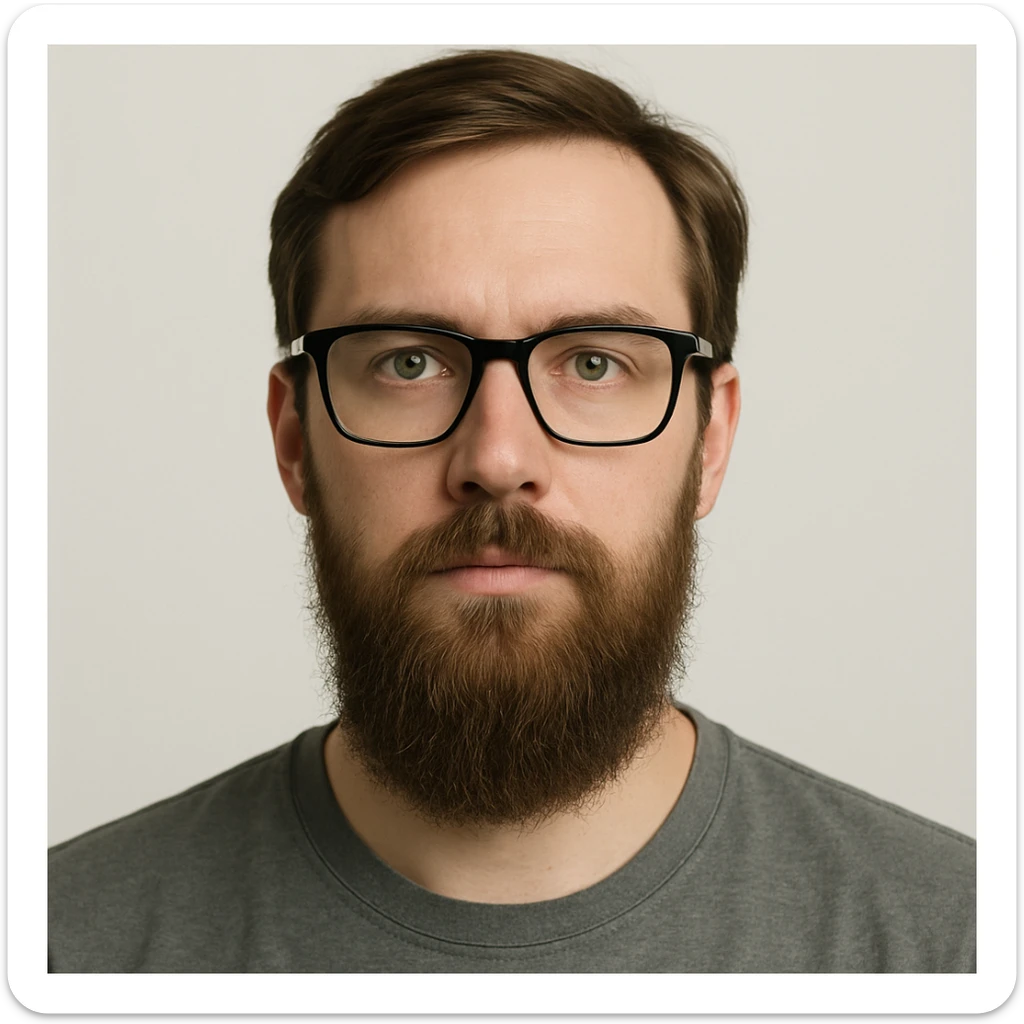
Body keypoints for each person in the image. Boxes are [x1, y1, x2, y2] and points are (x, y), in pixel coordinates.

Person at [48, 48, 975, 974]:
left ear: (710, 440)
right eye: (408, 362)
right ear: (295, 439)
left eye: (594, 362)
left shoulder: (956, 945)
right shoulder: (62, 945)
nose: (497, 460)